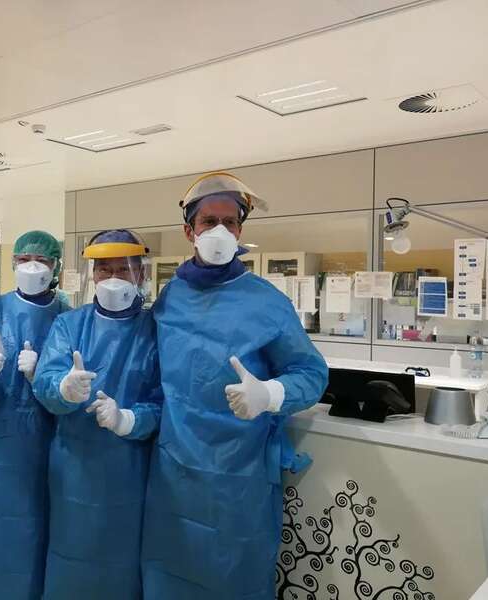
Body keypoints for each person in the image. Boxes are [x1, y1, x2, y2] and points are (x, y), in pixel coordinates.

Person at [140, 172, 329, 599]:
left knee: (234, 579)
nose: (220, 231)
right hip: (174, 470)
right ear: (189, 231)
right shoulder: (171, 297)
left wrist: (270, 394)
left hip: (238, 475)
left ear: (241, 231)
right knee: (170, 575)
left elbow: (311, 373)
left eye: (230, 222)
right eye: (209, 221)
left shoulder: (267, 301)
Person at [33, 229, 162, 600]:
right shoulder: (70, 325)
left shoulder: (155, 330)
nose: (113, 277)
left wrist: (128, 420)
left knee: (121, 560)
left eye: (123, 268)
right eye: (105, 269)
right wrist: (64, 389)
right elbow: (46, 381)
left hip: (129, 469)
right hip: (73, 466)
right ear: (92, 273)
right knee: (71, 551)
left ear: (141, 273)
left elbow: (164, 399)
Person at [0, 230, 70, 600]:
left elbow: (75, 388)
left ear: (56, 266)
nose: (32, 267)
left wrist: (45, 376)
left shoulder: (68, 319)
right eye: (24, 260)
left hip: (49, 447)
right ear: (12, 263)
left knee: (37, 532)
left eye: (42, 260)